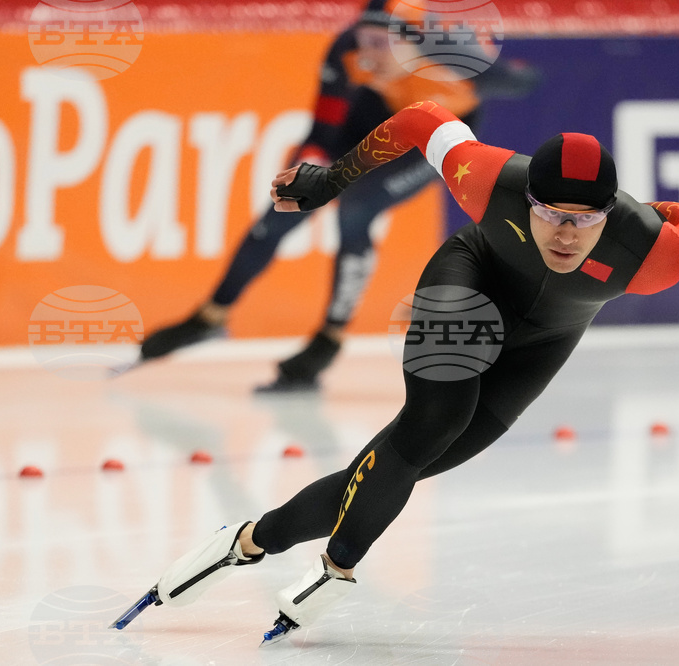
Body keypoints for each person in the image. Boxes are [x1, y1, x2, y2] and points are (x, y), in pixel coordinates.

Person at [113, 100, 679, 644]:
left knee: (402, 465)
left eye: (586, 220)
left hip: (545, 341)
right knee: (436, 419)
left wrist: (657, 211)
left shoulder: (651, 255)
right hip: (469, 280)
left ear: (610, 215)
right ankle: (338, 568)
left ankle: (245, 543)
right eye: (551, 213)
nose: (565, 234)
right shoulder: (488, 178)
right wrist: (329, 180)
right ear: (526, 199)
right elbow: (420, 118)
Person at [138, 0, 538, 392]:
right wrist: (308, 168)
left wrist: (504, 70)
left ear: (413, 43)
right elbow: (322, 132)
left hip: (440, 129)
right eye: (364, 40)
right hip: (382, 110)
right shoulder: (347, 49)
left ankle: (329, 339)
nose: (367, 54)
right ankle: (210, 317)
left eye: (380, 45)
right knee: (286, 201)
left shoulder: (453, 58)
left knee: (357, 209)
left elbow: (522, 83)